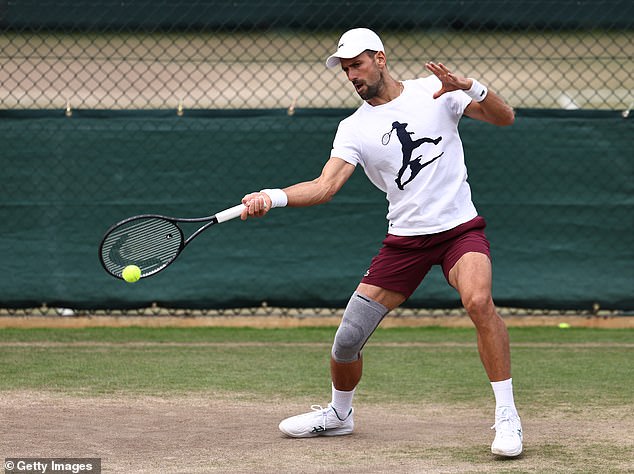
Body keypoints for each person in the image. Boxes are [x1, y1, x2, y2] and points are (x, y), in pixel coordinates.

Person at [240, 27, 523, 457]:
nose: (351, 75)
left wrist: (471, 88)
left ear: (380, 59)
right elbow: (324, 185)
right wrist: (271, 196)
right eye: (345, 69)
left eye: (357, 64)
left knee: (479, 301)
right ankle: (339, 416)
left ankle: (507, 416)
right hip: (405, 241)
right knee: (347, 340)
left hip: (459, 231)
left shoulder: (436, 90)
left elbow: (505, 117)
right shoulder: (354, 127)